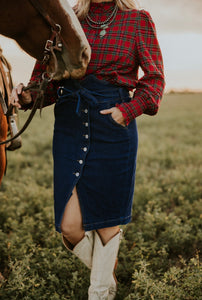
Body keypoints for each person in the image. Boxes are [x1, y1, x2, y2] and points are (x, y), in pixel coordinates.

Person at [11, 0, 165, 298]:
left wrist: (128, 109)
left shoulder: (137, 20)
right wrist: (27, 96)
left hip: (113, 128)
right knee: (70, 227)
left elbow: (155, 80)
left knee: (108, 225)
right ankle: (106, 282)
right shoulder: (62, 18)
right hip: (70, 124)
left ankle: (99, 293)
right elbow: (45, 82)